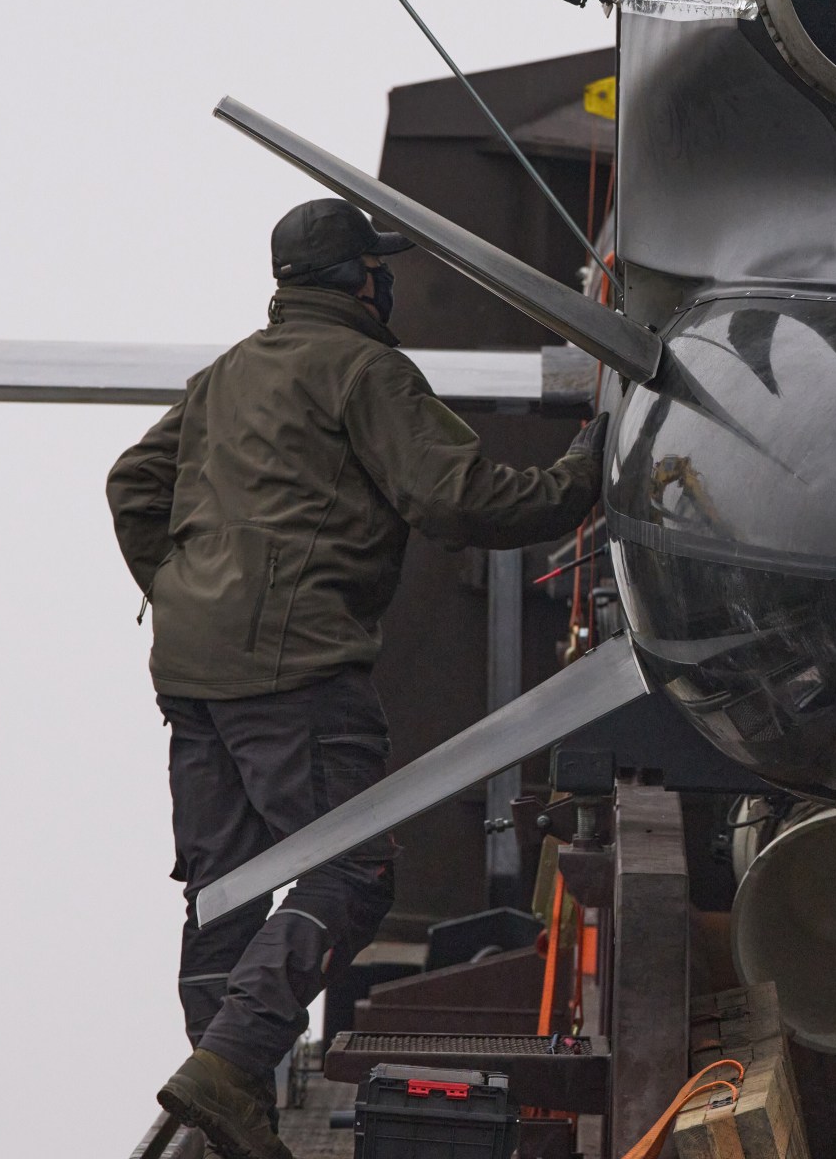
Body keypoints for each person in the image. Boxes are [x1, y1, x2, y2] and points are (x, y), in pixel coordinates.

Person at [106, 197, 605, 1159]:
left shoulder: (227, 374)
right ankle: (230, 1065)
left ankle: (227, 1102)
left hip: (195, 669)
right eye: (381, 267)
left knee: (225, 887)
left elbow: (133, 482)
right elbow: (453, 495)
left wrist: (179, 586)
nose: (391, 281)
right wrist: (583, 477)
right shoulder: (365, 370)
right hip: (297, 670)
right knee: (354, 868)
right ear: (356, 280)